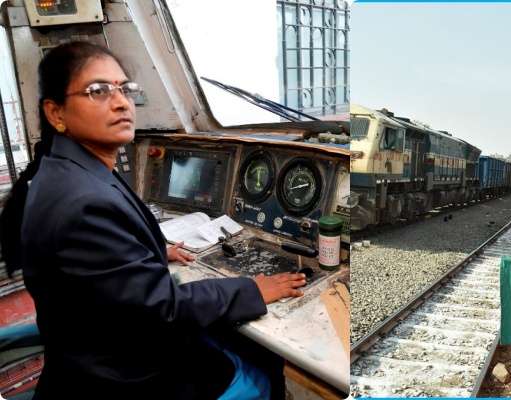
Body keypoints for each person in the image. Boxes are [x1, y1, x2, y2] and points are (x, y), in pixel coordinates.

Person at [0, 42, 306, 399]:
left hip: (89, 356)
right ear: (56, 113)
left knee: (232, 338)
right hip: (126, 380)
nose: (120, 102)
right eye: (98, 91)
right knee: (264, 366)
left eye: (124, 89)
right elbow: (164, 310)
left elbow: (102, 273)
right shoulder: (84, 201)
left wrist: (150, 252)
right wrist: (251, 289)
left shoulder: (64, 173)